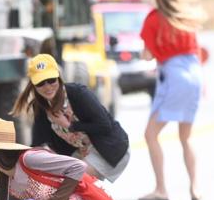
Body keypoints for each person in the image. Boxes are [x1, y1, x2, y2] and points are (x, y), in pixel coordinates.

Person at [138, 0, 208, 200]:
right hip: (194, 74)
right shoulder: (185, 19)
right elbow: (196, 52)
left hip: (173, 76)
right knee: (186, 137)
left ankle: (161, 189)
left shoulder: (153, 18)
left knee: (151, 135)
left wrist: (147, 53)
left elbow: (147, 55)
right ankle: (195, 187)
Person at [10, 53, 130, 182]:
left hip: (108, 149)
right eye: (40, 83)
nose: (48, 87)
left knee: (72, 180)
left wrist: (69, 126)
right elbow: (37, 143)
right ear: (33, 85)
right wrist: (20, 163)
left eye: (51, 80)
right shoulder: (41, 106)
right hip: (81, 153)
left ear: (59, 77)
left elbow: (104, 126)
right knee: (57, 180)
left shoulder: (78, 93)